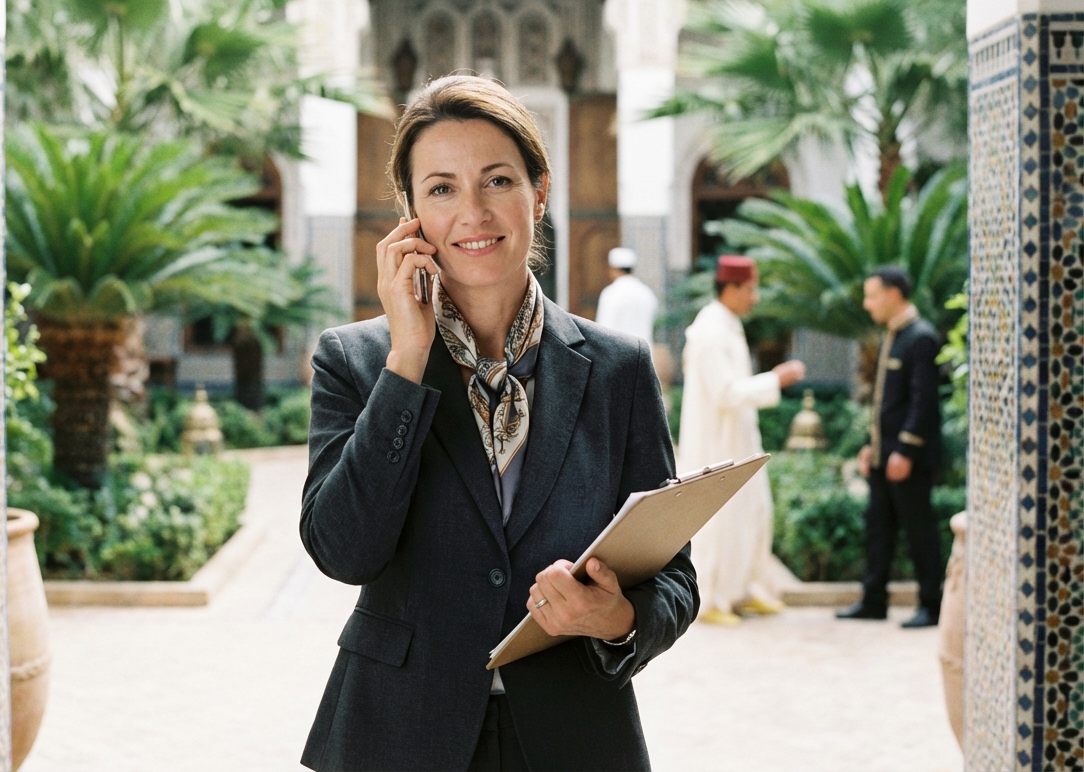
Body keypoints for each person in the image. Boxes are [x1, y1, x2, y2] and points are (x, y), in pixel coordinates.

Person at [299, 75, 698, 772]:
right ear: (411, 212)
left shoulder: (617, 369)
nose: (474, 212)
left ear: (539, 193)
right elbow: (343, 551)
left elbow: (674, 579)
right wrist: (409, 358)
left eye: (498, 180)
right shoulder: (356, 360)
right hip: (395, 733)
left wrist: (617, 619)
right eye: (442, 188)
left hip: (573, 737)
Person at [678, 256, 805, 627]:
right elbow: (726, 393)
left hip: (738, 440)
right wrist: (775, 380)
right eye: (750, 290)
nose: (755, 297)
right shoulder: (711, 331)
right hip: (718, 444)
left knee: (752, 513)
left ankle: (743, 590)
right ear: (730, 289)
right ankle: (713, 597)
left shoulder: (727, 324)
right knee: (721, 522)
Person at [837, 266, 944, 628]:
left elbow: (923, 402)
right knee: (878, 529)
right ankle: (874, 600)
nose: (867, 305)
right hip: (885, 455)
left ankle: (932, 604)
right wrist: (872, 446)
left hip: (906, 459)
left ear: (894, 294)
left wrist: (906, 451)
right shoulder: (892, 336)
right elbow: (886, 403)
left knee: (919, 531)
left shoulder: (921, 337)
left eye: (872, 296)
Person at [594, 247, 658, 345]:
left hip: (618, 353)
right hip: (644, 353)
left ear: (613, 269)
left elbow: (603, 330)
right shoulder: (646, 292)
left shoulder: (611, 293)